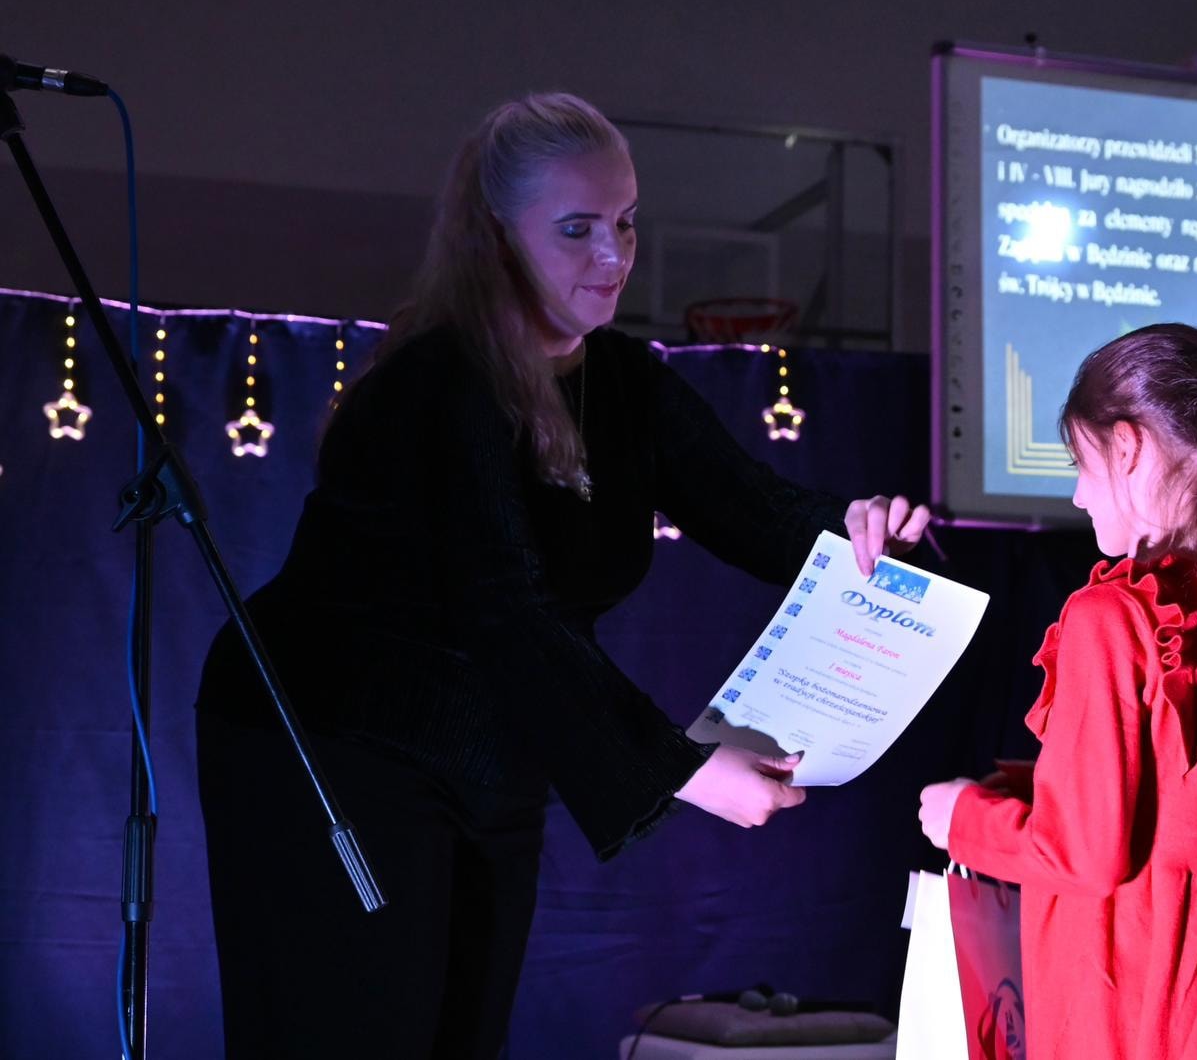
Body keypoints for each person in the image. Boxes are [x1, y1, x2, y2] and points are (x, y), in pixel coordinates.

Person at [193, 92, 928, 1060]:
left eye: (626, 223)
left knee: (463, 1032)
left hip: (490, 742)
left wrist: (860, 532)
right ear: (495, 236)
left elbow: (752, 506)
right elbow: (508, 612)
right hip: (330, 739)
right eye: (577, 229)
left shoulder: (625, 382)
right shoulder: (437, 383)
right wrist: (687, 769)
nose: (613, 255)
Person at [918, 323, 1197, 1060]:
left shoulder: (1112, 615)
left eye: (1080, 462)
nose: (1076, 494)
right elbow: (1190, 818)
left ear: (1126, 448)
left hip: (1126, 981)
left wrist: (963, 818)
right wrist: (1043, 785)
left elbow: (1083, 855)